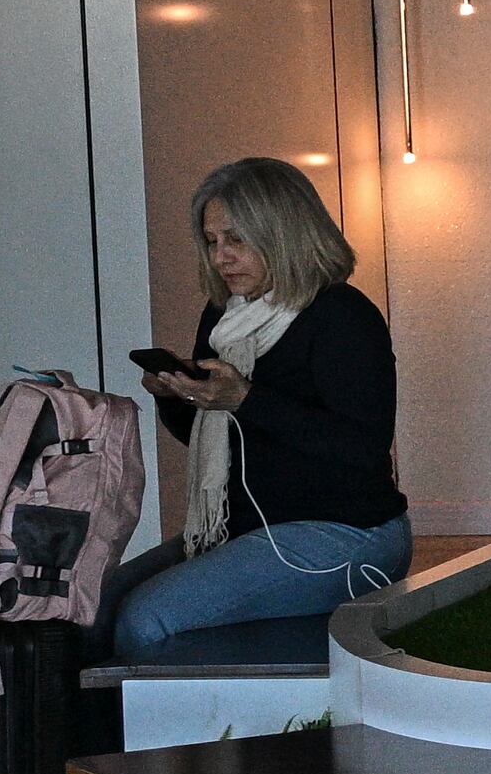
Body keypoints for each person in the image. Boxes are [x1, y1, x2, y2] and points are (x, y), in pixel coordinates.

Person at [109, 157, 410, 655]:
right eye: (212, 242)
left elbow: (361, 448)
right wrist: (180, 397)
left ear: (283, 232)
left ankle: (182, 734)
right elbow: (215, 437)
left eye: (237, 239)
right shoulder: (226, 317)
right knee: (99, 603)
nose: (222, 257)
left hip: (346, 533)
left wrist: (247, 398)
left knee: (146, 619)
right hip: (246, 525)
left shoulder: (342, 316)